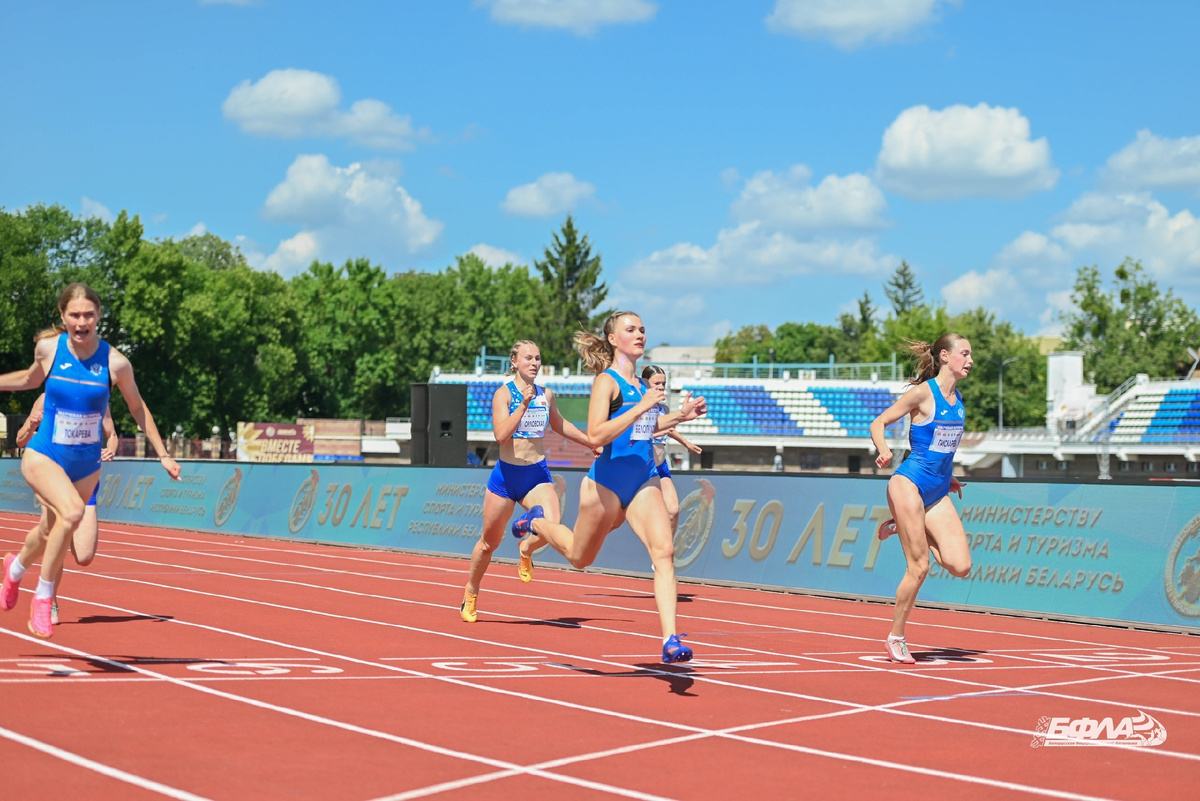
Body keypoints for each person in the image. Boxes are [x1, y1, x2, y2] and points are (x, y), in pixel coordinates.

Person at [510, 311, 707, 663]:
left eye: (643, 329)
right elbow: (596, 434)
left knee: (664, 553)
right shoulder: (608, 382)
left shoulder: (643, 387)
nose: (639, 334)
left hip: (643, 478)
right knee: (579, 558)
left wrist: (680, 416)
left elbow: (644, 430)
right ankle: (535, 524)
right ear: (614, 339)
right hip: (606, 483)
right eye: (630, 329)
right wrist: (641, 408)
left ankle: (670, 640)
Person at [1, 283, 181, 638]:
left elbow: (137, 407)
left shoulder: (116, 363)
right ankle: (43, 598)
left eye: (89, 315)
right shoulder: (48, 349)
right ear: (62, 315)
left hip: (85, 464)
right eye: (74, 315)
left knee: (50, 530)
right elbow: (27, 378)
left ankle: (14, 571)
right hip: (45, 454)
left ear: (99, 315)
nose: (82, 322)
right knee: (71, 513)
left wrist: (162, 454)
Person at [460, 340, 595, 623]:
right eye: (528, 358)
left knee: (552, 526)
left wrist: (589, 441)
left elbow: (559, 425)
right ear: (514, 362)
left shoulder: (547, 393)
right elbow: (500, 435)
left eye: (538, 358)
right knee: (489, 543)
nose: (534, 363)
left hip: (536, 474)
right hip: (507, 477)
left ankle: (526, 548)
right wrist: (521, 406)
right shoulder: (504, 395)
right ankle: (471, 591)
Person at [868, 334, 973, 664]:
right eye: (964, 354)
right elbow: (879, 422)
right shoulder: (922, 394)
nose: (970, 360)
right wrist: (885, 450)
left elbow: (943, 448)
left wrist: (948, 475)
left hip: (938, 488)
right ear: (945, 356)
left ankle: (905, 525)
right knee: (919, 566)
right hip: (908, 484)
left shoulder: (958, 401)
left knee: (960, 566)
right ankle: (896, 637)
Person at [15, 391, 118, 625]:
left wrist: (111, 447)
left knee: (84, 556)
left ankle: (67, 528)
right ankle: (49, 600)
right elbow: (20, 440)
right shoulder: (46, 398)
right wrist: (31, 426)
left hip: (85, 476)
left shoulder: (98, 397)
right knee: (57, 537)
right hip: (53, 474)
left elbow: (111, 434)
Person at [641, 365, 702, 536]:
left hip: (660, 466)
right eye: (656, 383)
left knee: (673, 511)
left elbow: (669, 428)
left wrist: (685, 443)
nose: (661, 387)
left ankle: (665, 555)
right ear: (645, 383)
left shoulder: (664, 409)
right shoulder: (638, 407)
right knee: (620, 517)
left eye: (663, 384)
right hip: (641, 467)